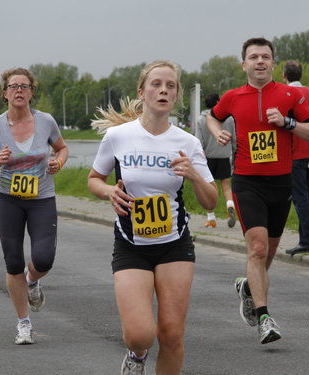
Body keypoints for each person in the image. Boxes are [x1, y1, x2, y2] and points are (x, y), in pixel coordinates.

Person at [88, 61, 218, 375]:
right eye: (156, 84)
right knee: (140, 334)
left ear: (176, 96)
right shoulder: (118, 136)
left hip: (174, 244)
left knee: (171, 333)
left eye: (170, 86)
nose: (163, 90)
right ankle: (136, 355)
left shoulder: (187, 142)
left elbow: (210, 199)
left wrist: (194, 177)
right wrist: (109, 192)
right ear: (142, 91)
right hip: (132, 244)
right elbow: (94, 178)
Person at [206, 38, 309, 344]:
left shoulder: (292, 94)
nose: (260, 61)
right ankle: (264, 317)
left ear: (273, 64)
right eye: (254, 57)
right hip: (247, 180)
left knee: (268, 253)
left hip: (282, 181)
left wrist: (288, 123)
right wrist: (217, 132)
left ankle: (248, 286)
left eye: (265, 57)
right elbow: (214, 115)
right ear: (244, 65)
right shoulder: (234, 96)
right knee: (258, 248)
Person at [0, 68, 69, 345]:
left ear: (31, 92)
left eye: (24, 86)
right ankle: (23, 322)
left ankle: (33, 280)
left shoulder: (46, 121)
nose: (19, 91)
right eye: (13, 86)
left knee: (44, 258)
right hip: (9, 201)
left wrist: (58, 162)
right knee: (13, 262)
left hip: (42, 199)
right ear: (4, 93)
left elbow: (61, 148)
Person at [195, 93, 236, 228]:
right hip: (224, 155)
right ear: (218, 102)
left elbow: (199, 141)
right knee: (226, 185)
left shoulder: (201, 119)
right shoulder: (229, 119)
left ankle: (211, 218)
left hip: (208, 157)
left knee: (209, 187)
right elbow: (234, 137)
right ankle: (230, 206)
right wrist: (234, 151)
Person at [282, 61, 309, 256]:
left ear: (284, 76)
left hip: (296, 153)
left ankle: (305, 240)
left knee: (300, 199)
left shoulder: (285, 94)